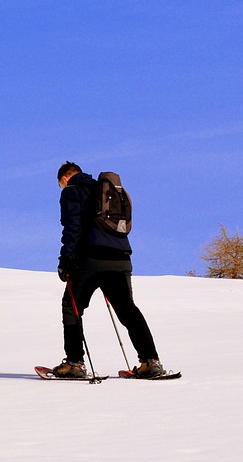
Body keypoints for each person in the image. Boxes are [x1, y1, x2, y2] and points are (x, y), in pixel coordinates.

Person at [51, 161, 166, 379]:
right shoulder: (109, 192)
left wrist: (66, 259)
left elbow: (72, 227)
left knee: (72, 306)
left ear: (65, 178)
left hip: (90, 259)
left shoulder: (72, 191)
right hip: (121, 258)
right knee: (128, 310)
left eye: (60, 185)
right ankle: (150, 362)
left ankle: (75, 363)